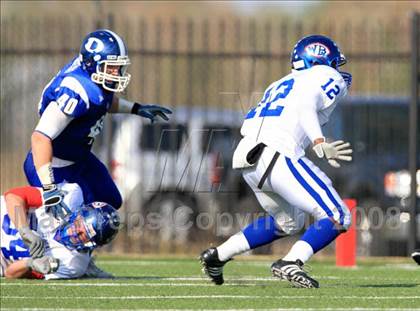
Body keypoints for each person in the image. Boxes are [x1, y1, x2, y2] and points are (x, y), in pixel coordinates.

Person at [200, 34, 353, 288]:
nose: (337, 71)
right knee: (337, 215)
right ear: (321, 60)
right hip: (277, 152)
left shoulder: (279, 83)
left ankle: (218, 256)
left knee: (288, 221)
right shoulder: (325, 75)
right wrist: (318, 141)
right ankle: (291, 262)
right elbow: (306, 105)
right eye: (334, 63)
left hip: (248, 156)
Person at [23, 29, 172, 220]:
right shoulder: (77, 90)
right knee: (67, 221)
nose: (116, 74)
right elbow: (39, 137)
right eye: (111, 68)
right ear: (93, 64)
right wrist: (50, 188)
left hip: (80, 159)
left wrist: (136, 108)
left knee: (110, 200)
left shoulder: (95, 82)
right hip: (54, 167)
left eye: (118, 68)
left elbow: (104, 102)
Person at [1, 183, 120, 279]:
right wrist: (24, 229)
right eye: (79, 223)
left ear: (91, 244)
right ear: (78, 214)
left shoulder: (73, 263)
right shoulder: (70, 197)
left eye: (85, 234)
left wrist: (30, 264)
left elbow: (9, 273)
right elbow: (13, 196)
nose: (76, 231)